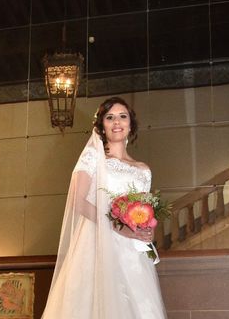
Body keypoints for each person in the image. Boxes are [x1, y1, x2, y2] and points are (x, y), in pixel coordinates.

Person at [41, 96, 167, 318]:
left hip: (132, 252)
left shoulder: (143, 169)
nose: (117, 122)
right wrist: (118, 228)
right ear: (102, 125)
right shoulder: (93, 157)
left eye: (122, 116)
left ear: (130, 124)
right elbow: (78, 201)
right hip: (96, 243)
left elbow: (145, 212)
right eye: (110, 117)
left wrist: (148, 231)